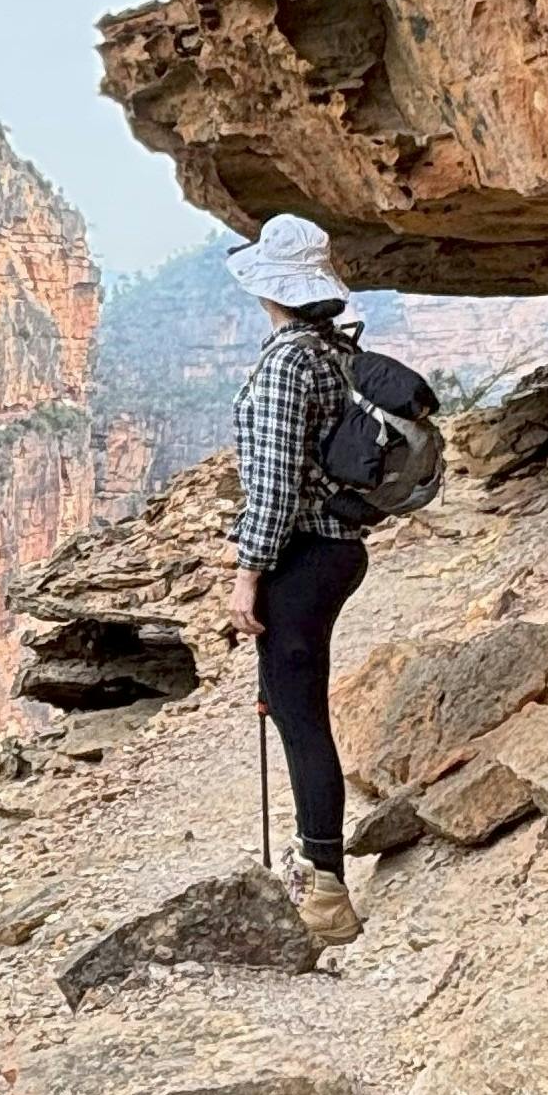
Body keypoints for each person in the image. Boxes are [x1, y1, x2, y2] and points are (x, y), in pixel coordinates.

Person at [223, 214, 372, 946]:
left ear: (270, 288)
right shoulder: (332, 352)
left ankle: (326, 893)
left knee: (299, 717)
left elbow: (276, 486)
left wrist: (247, 575)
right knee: (295, 708)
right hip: (334, 549)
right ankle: (320, 872)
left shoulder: (288, 362)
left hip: (302, 555)